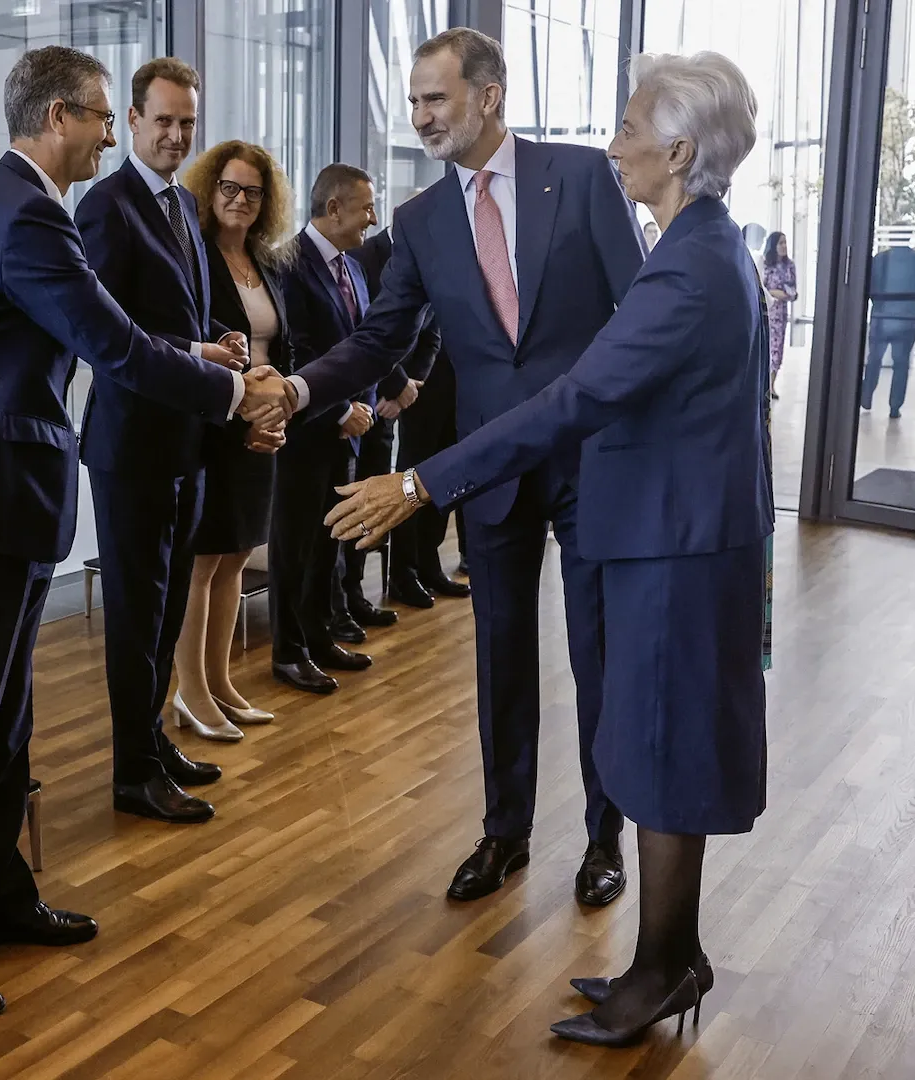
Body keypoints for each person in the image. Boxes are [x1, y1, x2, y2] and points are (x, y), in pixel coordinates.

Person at [324, 49, 771, 1049]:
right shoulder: (702, 246)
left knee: (656, 752)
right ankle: (669, 955)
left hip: (668, 541)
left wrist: (416, 481)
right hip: (678, 530)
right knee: (657, 744)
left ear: (680, 150)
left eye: (629, 129)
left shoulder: (684, 268)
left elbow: (573, 397)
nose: (613, 147)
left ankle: (659, 967)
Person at [0, 45, 292, 1021]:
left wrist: (194, 354)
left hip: (0, 502)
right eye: (105, 117)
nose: (112, 134)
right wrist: (237, 389)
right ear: (59, 116)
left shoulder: (16, 209)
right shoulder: (25, 214)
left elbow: (100, 330)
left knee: (2, 723)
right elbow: (109, 345)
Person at [282, 27, 646, 906]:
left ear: (489, 95)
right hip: (492, 464)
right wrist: (299, 388)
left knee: (597, 656)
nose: (420, 117)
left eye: (434, 98)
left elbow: (638, 313)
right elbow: (383, 336)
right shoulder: (420, 219)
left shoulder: (587, 176)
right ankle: (505, 833)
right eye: (413, 102)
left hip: (593, 456)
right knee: (502, 655)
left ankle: (605, 838)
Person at [74, 59, 253, 824]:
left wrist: (214, 340)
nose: (177, 135)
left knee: (167, 603)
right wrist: (195, 357)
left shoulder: (183, 205)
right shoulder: (105, 209)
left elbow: (181, 316)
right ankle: (131, 773)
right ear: (132, 124)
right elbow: (106, 340)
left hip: (186, 441)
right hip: (131, 447)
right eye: (164, 121)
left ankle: (154, 746)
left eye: (187, 123)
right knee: (135, 617)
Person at [172, 139, 297, 740]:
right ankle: (189, 693)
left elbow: (285, 347)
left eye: (253, 191)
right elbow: (183, 345)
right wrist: (242, 405)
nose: (241, 200)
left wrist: (276, 414)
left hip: (264, 426)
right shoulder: (192, 255)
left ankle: (220, 683)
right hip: (214, 425)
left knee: (237, 559)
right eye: (229, 188)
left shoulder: (267, 262)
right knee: (201, 563)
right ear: (209, 189)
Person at [268, 163, 387, 696]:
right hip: (306, 432)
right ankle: (288, 651)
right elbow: (300, 349)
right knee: (293, 546)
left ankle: (319, 638)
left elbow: (361, 348)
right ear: (333, 207)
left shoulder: (356, 268)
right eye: (365, 207)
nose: (372, 217)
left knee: (326, 543)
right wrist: (341, 412)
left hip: (347, 432)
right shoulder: (288, 264)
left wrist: (359, 411)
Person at [350, 218, 467, 610]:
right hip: (390, 390)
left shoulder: (438, 254)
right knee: (409, 478)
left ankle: (426, 562)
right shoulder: (365, 257)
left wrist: (413, 380)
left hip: (434, 381)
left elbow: (432, 325)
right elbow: (368, 329)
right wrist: (397, 386)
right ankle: (401, 572)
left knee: (441, 477)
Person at [861, 243, 915, 419]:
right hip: (907, 318)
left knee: (874, 359)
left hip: (881, 317)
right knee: (901, 364)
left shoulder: (879, 260)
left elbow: (871, 288)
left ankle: (866, 395)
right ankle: (894, 407)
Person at [762, 231, 796, 399]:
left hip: (781, 315)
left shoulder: (790, 266)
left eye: (785, 243)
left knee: (777, 351)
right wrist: (776, 293)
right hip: (768, 313)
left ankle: (771, 386)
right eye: (780, 243)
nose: (783, 246)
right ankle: (763, 385)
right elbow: (764, 288)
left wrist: (786, 294)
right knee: (766, 349)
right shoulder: (766, 265)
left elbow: (792, 291)